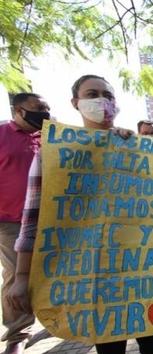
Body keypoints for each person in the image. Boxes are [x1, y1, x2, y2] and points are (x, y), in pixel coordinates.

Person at [5, 75, 153, 354]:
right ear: (76, 103)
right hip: (94, 275)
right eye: (92, 94)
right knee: (111, 346)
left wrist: (140, 152)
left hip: (139, 271)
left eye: (108, 95)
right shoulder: (53, 153)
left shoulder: (135, 148)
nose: (102, 101)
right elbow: (32, 222)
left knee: (151, 343)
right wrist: (21, 277)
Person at [0, 93, 50, 354]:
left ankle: (55, 318)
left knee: (53, 272)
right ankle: (18, 335)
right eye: (38, 108)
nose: (45, 112)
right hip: (10, 222)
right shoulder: (1, 136)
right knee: (17, 277)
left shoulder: (52, 135)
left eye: (47, 108)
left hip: (52, 219)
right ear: (19, 110)